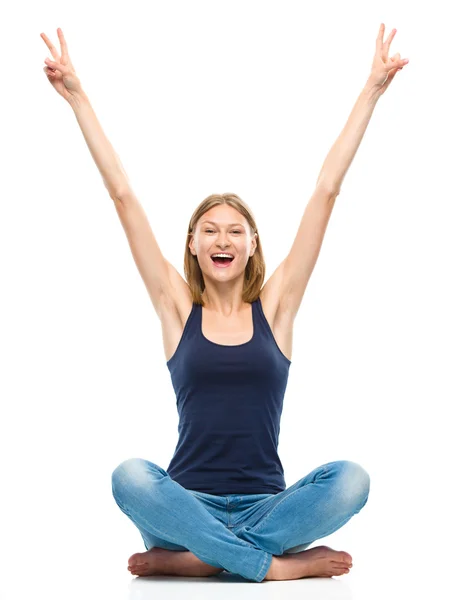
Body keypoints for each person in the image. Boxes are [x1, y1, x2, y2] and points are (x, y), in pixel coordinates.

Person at [41, 24, 408, 582]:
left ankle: (198, 562)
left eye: (235, 231)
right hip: (184, 505)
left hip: (268, 506)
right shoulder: (176, 310)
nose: (222, 239)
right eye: (209, 230)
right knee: (130, 476)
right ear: (192, 243)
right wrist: (77, 96)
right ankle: (269, 567)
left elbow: (326, 192)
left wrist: (371, 91)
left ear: (252, 244)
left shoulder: (278, 309)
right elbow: (123, 196)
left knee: (352, 478)